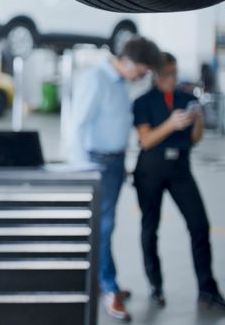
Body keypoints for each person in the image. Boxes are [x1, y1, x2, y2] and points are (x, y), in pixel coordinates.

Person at [68, 37, 162, 322]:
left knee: (107, 225)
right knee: (103, 226)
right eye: (143, 70)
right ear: (129, 62)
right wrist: (84, 169)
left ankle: (103, 280)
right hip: (98, 164)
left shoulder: (122, 85)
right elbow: (77, 125)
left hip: (116, 163)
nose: (143, 76)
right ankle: (108, 288)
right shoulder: (95, 79)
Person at [132, 52, 225, 311]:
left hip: (181, 169)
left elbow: (194, 140)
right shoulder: (143, 102)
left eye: (173, 73)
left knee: (199, 225)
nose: (170, 79)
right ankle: (155, 286)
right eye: (165, 74)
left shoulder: (188, 99)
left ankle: (207, 289)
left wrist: (197, 122)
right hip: (151, 169)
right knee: (150, 229)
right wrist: (171, 124)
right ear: (155, 74)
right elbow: (146, 140)